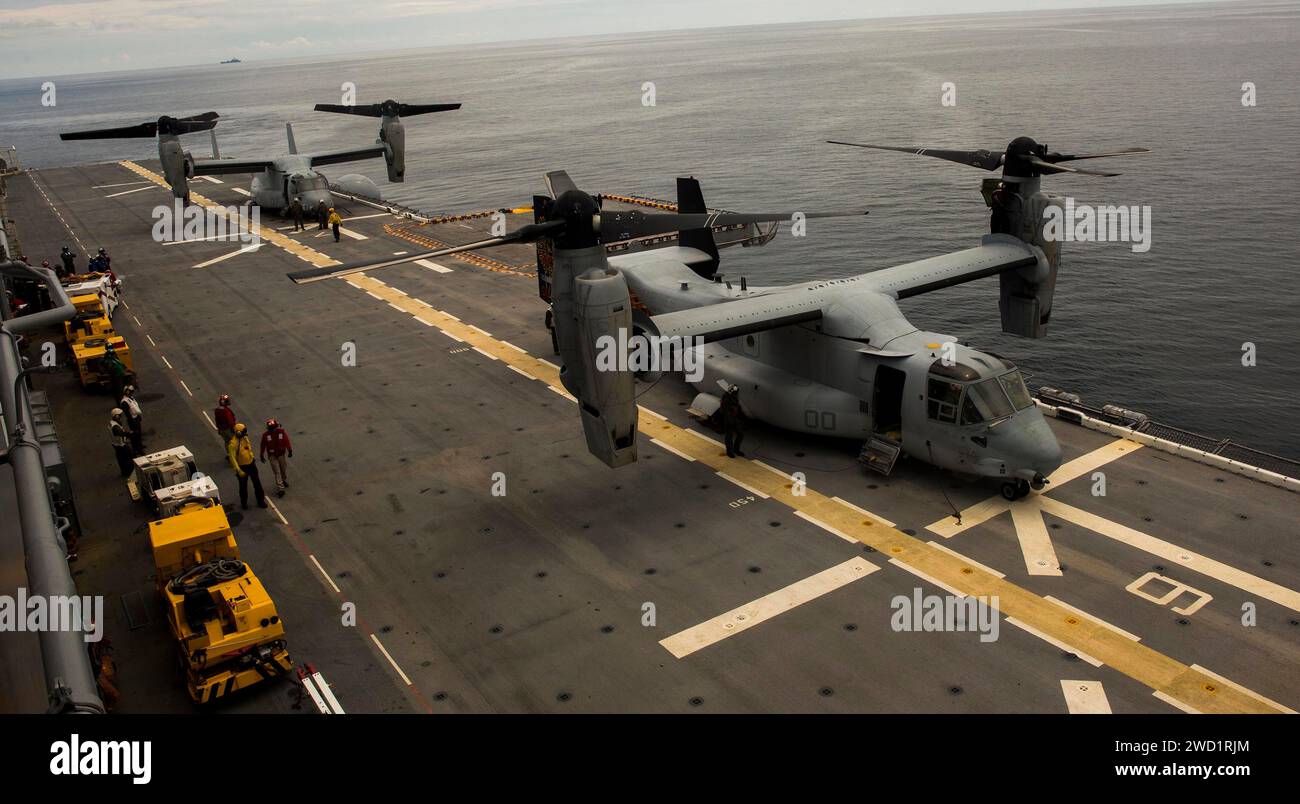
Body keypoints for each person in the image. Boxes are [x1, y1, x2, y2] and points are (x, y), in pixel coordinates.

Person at [227, 423, 267, 509]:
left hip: (251, 464)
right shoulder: (232, 444)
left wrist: (252, 458)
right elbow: (232, 459)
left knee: (257, 484)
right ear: (238, 433)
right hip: (242, 467)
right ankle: (244, 503)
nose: (245, 433)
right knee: (243, 487)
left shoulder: (245, 438)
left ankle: (261, 501)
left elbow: (248, 449)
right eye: (244, 432)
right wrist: (238, 470)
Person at [259, 418, 293, 497]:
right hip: (272, 456)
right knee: (277, 472)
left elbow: (286, 440)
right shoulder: (265, 435)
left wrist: (290, 450)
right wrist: (261, 454)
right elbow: (263, 445)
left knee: (283, 469)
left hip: (281, 454)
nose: (273, 429)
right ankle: (281, 488)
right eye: (272, 428)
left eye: (274, 427)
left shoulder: (281, 432)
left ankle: (283, 480)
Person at [720, 384, 745, 458]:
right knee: (729, 436)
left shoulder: (734, 397)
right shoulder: (726, 399)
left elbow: (737, 408)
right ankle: (729, 452)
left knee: (741, 434)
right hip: (729, 420)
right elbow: (726, 411)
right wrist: (730, 421)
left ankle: (736, 449)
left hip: (735, 418)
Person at [119, 384, 144, 455]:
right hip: (132, 421)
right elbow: (128, 414)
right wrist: (132, 422)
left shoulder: (131, 398)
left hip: (136, 418)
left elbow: (135, 408)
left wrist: (139, 417)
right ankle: (137, 450)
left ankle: (140, 446)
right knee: (134, 435)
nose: (132, 393)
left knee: (138, 434)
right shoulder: (124, 402)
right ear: (127, 392)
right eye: (131, 391)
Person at [109, 408, 134, 477]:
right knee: (128, 458)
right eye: (120, 415)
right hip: (121, 445)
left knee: (121, 459)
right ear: (116, 416)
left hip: (116, 444)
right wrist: (129, 433)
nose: (121, 416)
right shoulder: (115, 426)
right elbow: (120, 433)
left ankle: (125, 472)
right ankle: (130, 472)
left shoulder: (112, 423)